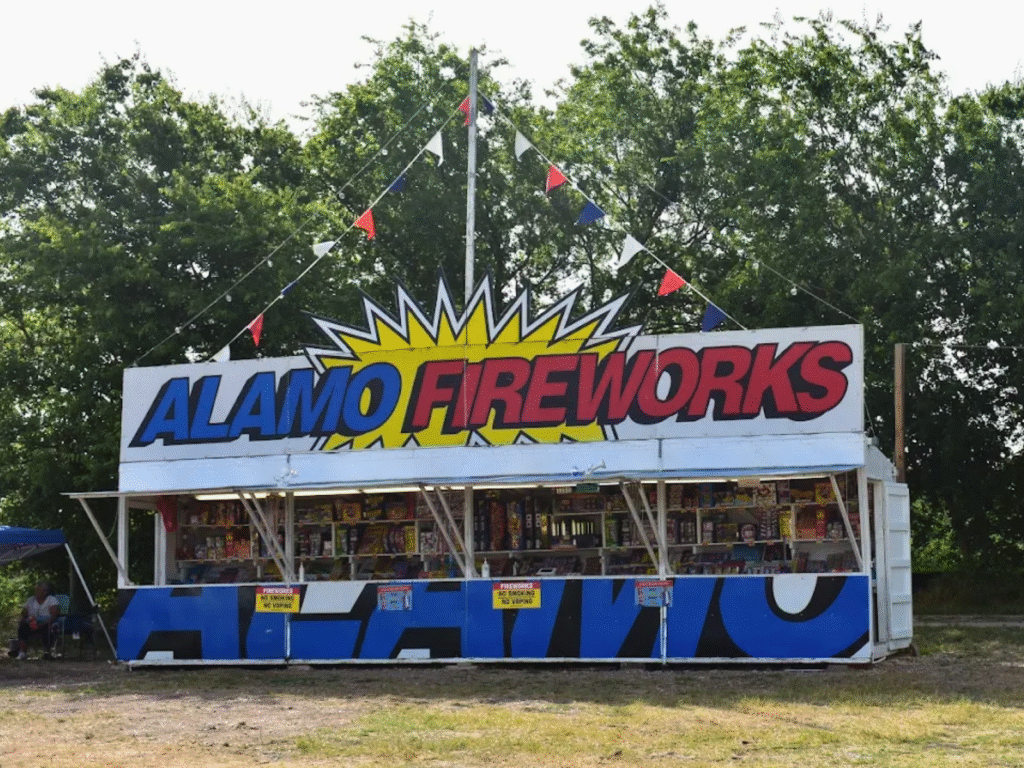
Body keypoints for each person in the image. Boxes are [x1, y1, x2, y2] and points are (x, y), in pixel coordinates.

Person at [8, 581, 60, 660]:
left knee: (49, 628)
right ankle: (22, 652)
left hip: (47, 623)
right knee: (22, 627)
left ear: (45, 592)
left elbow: (54, 615)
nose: (36, 592)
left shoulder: (51, 599)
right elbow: (24, 614)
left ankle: (47, 653)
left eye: (39, 590)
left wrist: (42, 624)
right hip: (32, 622)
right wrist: (24, 617)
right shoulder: (31, 600)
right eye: (36, 590)